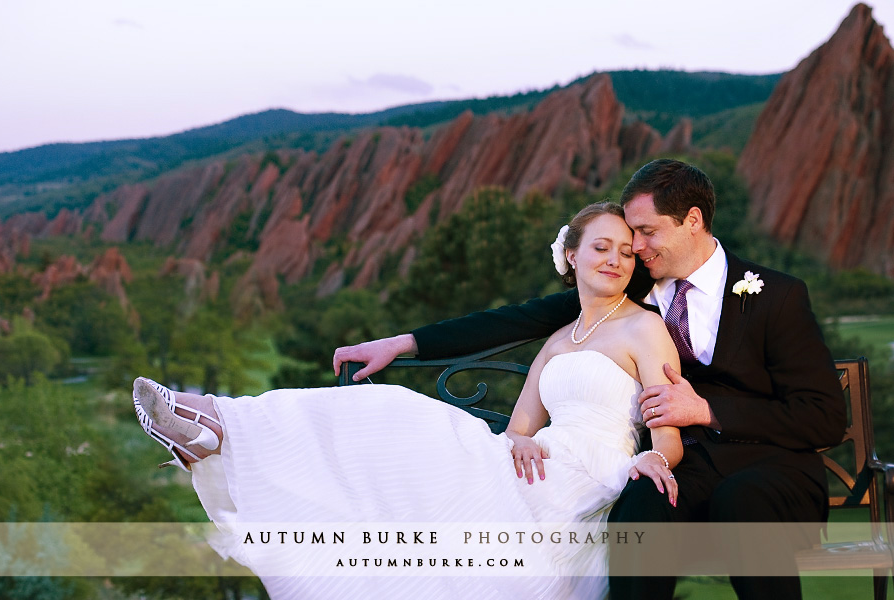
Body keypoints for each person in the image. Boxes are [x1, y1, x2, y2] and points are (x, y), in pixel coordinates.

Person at [334, 159, 847, 600]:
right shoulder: (631, 284)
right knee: (640, 499)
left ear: (692, 221)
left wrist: (707, 411)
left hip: (771, 468)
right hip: (683, 464)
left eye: (646, 233)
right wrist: (403, 344)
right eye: (628, 236)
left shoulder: (775, 296)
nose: (635, 248)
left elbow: (823, 417)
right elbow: (518, 319)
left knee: (743, 503)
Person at [133, 202, 684, 600]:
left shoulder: (645, 330)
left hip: (592, 481)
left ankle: (217, 429)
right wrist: (517, 441)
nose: (615, 260)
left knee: (402, 432)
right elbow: (520, 426)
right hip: (531, 466)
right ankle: (218, 424)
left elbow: (667, 439)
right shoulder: (561, 338)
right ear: (572, 255)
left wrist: (652, 459)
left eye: (625, 252)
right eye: (601, 247)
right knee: (392, 418)